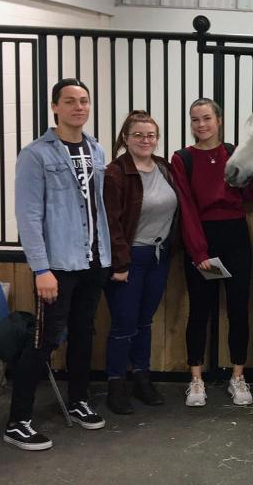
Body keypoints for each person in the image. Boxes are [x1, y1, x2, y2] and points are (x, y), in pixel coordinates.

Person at [5, 78, 111, 451]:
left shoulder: (96, 149)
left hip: (93, 261)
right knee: (45, 339)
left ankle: (79, 401)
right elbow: (29, 216)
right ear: (55, 107)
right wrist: (41, 269)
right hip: (58, 265)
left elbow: (97, 208)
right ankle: (18, 420)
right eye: (70, 101)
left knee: (84, 333)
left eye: (84, 100)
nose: (78, 107)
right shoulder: (36, 154)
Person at [170, 98, 253, 408]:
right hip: (202, 240)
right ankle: (196, 379)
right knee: (200, 310)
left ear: (219, 120)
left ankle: (237, 376)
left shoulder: (234, 153)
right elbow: (186, 207)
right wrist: (199, 251)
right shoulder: (182, 158)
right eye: (195, 119)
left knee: (239, 309)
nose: (201, 125)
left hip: (236, 236)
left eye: (207, 118)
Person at [102, 110, 179, 415]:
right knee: (123, 325)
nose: (146, 140)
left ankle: (141, 378)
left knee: (144, 322)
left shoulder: (163, 167)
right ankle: (116, 383)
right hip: (129, 259)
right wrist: (120, 264)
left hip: (158, 258)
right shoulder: (116, 173)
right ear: (125, 138)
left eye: (151, 135)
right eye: (138, 135)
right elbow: (111, 223)